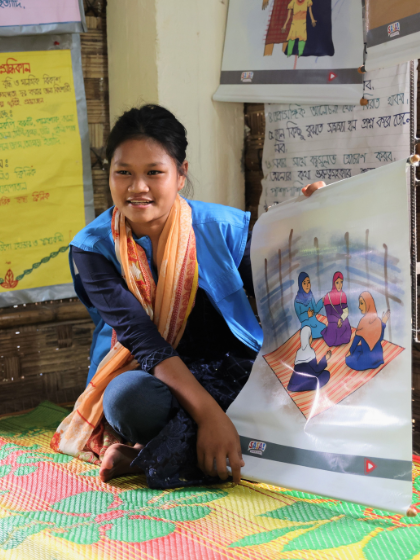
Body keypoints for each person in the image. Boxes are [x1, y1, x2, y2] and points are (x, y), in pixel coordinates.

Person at [50, 104, 325, 488]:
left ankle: (144, 456)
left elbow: (281, 290)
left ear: (181, 175)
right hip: (154, 374)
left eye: (154, 173)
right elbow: (146, 344)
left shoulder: (225, 228)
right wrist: (210, 415)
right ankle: (217, 440)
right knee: (126, 401)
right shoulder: (94, 249)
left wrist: (316, 219)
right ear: (109, 175)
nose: (137, 187)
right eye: (123, 173)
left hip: (234, 369)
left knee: (299, 386)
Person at [345, 291, 390, 371]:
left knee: (348, 359)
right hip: (378, 357)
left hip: (368, 359)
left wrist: (350, 352)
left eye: (361, 303)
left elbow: (356, 340)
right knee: (359, 348)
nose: (359, 307)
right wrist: (383, 323)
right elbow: (380, 338)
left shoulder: (363, 322)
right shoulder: (378, 320)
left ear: (368, 304)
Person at [288, 326, 332, 392]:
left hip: (293, 385)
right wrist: (325, 358)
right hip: (307, 382)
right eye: (310, 336)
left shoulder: (299, 352)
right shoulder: (310, 351)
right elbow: (317, 369)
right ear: (309, 338)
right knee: (326, 374)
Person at [322, 271, 351, 347]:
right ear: (334, 283)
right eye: (337, 282)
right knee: (332, 341)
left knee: (347, 338)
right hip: (333, 322)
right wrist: (337, 320)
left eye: (341, 282)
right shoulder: (328, 297)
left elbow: (346, 312)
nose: (339, 285)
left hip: (342, 320)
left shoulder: (343, 295)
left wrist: (341, 319)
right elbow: (329, 316)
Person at [294, 272, 326, 338]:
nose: (307, 285)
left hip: (314, 322)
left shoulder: (311, 296)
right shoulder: (297, 301)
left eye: (308, 282)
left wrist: (322, 301)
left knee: (325, 328)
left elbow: (316, 310)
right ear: (300, 285)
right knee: (311, 334)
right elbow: (300, 318)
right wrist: (307, 315)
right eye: (304, 283)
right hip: (306, 326)